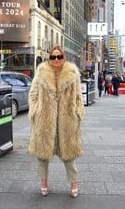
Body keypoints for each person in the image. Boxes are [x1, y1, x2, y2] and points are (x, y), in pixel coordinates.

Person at [28, 45, 84, 198]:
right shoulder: (41, 73)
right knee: (42, 155)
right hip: (44, 119)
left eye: (59, 56)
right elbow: (33, 94)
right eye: (53, 57)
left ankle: (74, 184)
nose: (57, 59)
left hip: (67, 120)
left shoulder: (72, 73)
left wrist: (78, 113)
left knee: (70, 155)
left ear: (63, 57)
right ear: (50, 58)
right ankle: (44, 183)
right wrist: (35, 112)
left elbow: (79, 96)